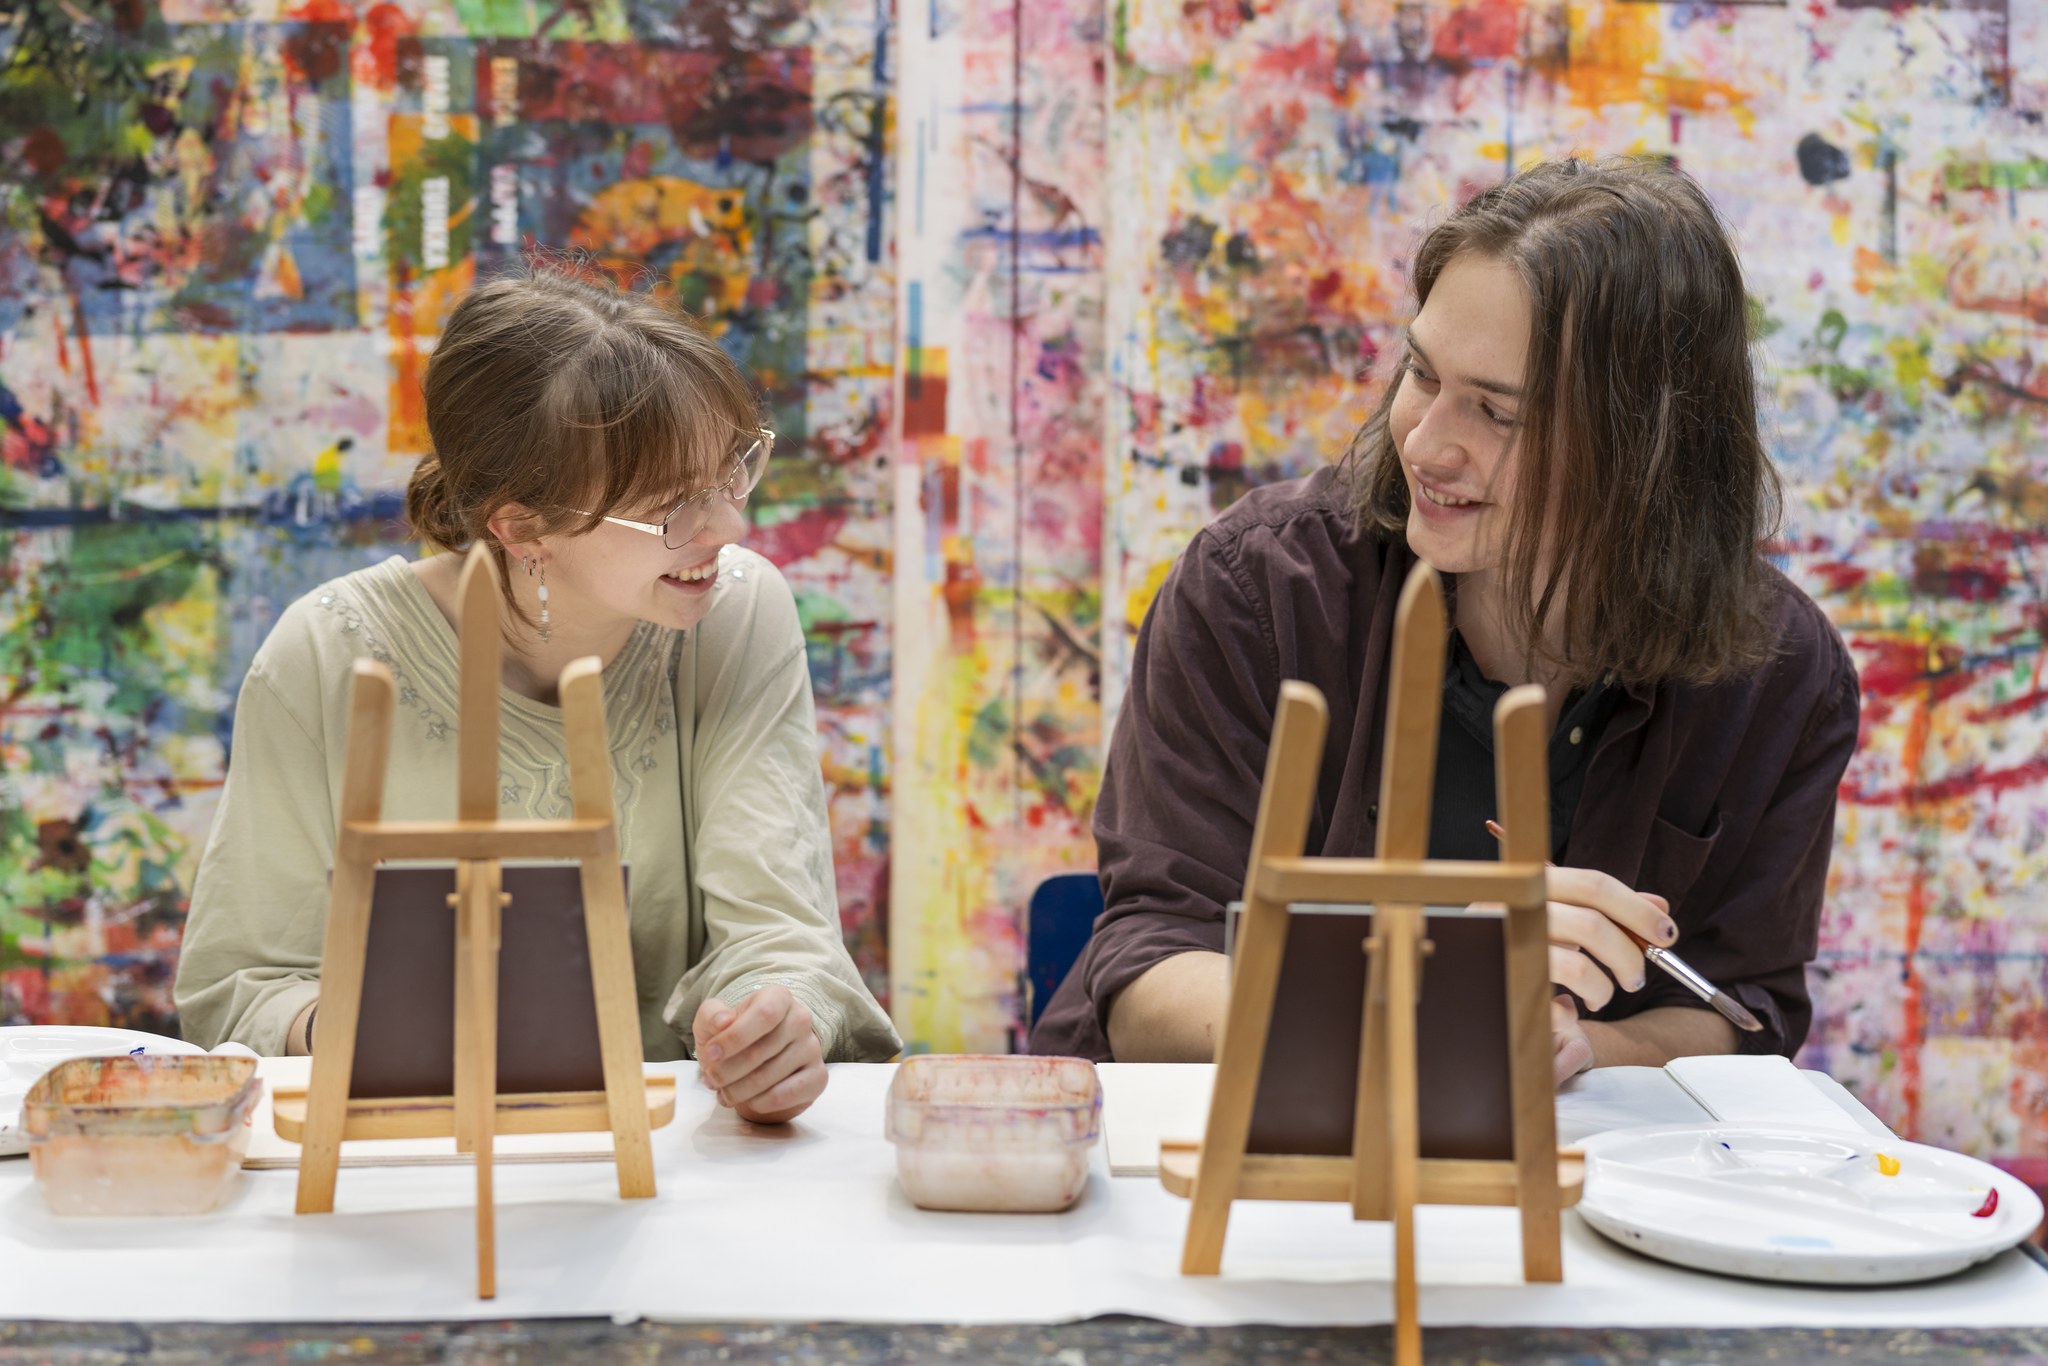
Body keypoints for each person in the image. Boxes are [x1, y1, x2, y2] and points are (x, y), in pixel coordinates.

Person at [1031, 157, 1860, 1081]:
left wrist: (1580, 1048)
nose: (1425, 443)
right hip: (1218, 1143)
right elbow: (1148, 976)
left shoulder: (1778, 675)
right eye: (1422, 374)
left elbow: (1741, 1010)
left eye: (1496, 412)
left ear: (1647, 451)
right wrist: (1426, 1004)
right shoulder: (1259, 592)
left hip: (1582, 1161)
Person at [175, 266, 899, 1123]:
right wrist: (356, 1029)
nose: (729, 527)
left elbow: (778, 927)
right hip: (409, 1153)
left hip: (672, 1156)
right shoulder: (327, 658)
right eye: (674, 506)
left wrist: (774, 1023)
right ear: (522, 528)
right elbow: (240, 986)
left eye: (734, 472)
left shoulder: (734, 614)